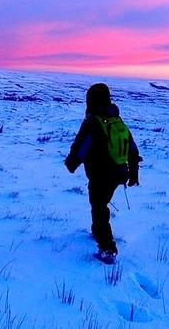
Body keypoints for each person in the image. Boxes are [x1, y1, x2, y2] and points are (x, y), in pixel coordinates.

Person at [65, 83, 141, 259]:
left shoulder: (92, 122)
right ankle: (97, 232)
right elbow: (132, 149)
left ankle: (107, 248)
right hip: (120, 172)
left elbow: (80, 148)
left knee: (99, 207)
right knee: (100, 204)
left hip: (101, 174)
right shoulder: (117, 120)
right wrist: (134, 174)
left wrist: (71, 164)